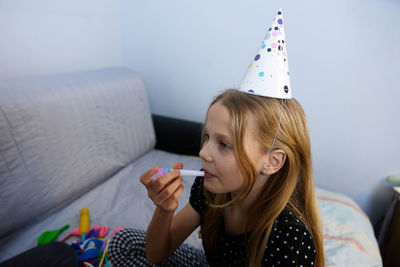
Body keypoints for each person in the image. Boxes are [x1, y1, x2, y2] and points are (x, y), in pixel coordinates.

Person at [108, 10, 325, 267]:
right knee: (123, 242)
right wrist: (165, 210)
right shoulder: (213, 191)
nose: (203, 153)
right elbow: (156, 254)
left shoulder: (291, 241)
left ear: (272, 161)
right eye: (208, 138)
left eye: (223, 144)